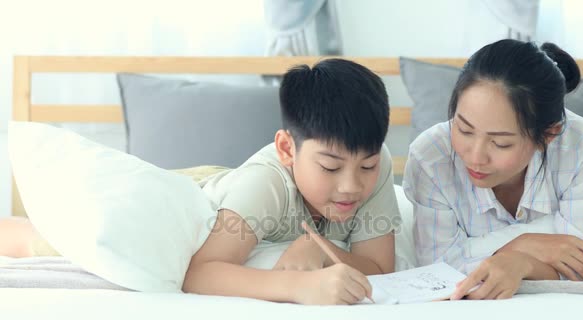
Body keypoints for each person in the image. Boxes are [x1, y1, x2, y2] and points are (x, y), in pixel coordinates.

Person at [0, 58, 400, 305]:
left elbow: (381, 267)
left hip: (230, 191)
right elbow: (200, 273)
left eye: (365, 167)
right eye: (330, 168)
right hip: (194, 194)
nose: (352, 185)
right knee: (51, 237)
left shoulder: (375, 166)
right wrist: (297, 286)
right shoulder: (266, 186)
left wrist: (321, 248)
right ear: (286, 149)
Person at [403, 39, 583, 300]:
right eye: (464, 129)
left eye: (500, 143)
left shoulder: (582, 144)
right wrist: (522, 245)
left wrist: (522, 264)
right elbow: (437, 273)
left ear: (548, 135)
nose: (475, 157)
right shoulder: (431, 156)